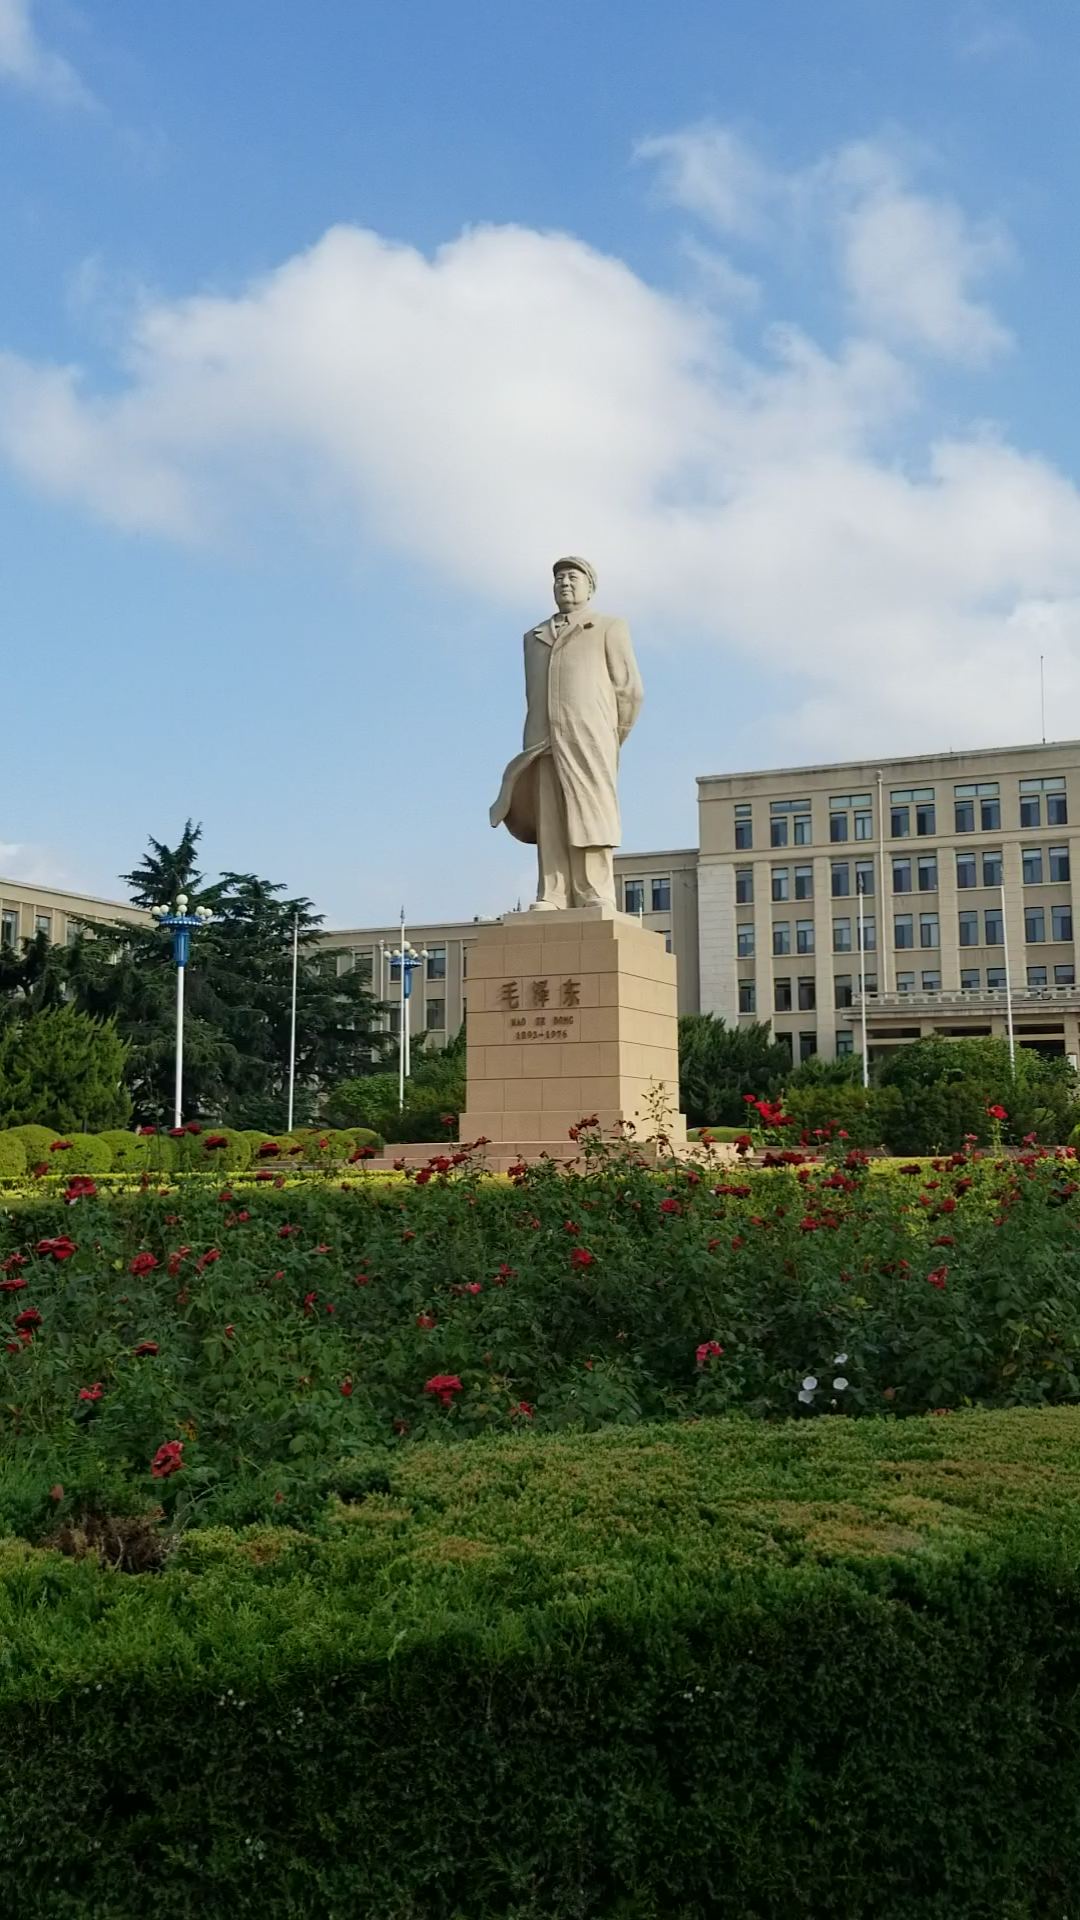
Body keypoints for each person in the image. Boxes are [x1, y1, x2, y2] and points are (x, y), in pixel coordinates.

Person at [490, 556, 643, 909]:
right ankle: (553, 892)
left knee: (592, 814)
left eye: (573, 577)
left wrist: (610, 733)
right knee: (551, 817)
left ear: (590, 586)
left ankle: (594, 889)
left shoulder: (608, 627)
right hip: (542, 741)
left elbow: (630, 690)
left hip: (591, 736)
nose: (565, 583)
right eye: (559, 577)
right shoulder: (534, 637)